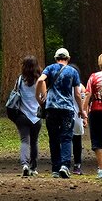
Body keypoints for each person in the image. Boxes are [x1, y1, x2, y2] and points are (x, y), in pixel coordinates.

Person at [36, 48, 84, 179]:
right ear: (68, 59)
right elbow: (77, 93)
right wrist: (81, 110)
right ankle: (65, 165)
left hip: (51, 108)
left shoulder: (50, 68)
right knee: (67, 137)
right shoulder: (73, 71)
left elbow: (40, 80)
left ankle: (55, 169)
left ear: (55, 58)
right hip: (67, 109)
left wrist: (40, 97)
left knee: (53, 138)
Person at [13, 54, 43, 177]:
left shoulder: (20, 80)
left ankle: (24, 164)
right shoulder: (40, 80)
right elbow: (43, 96)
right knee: (34, 141)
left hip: (22, 114)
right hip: (36, 116)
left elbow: (15, 94)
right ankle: (33, 167)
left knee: (24, 140)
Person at [71, 82, 87, 175]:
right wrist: (85, 117)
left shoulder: (62, 83)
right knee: (77, 141)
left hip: (64, 116)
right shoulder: (81, 87)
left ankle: (63, 164)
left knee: (65, 140)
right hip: (78, 116)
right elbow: (84, 103)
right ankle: (77, 165)